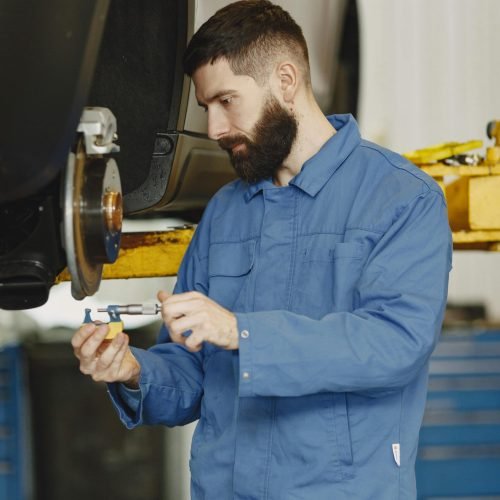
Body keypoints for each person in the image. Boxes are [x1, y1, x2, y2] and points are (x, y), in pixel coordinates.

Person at [71, 1, 452, 498]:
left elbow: (394, 344)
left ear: (286, 81)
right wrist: (134, 370)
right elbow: (191, 369)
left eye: (227, 101)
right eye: (206, 107)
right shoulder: (226, 211)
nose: (214, 129)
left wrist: (240, 332)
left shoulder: (402, 198)